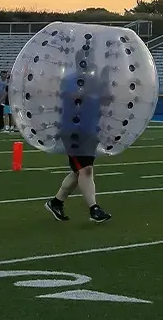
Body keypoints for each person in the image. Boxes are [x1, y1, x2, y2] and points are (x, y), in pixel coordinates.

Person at [44, 74, 112, 223]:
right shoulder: (70, 80)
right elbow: (72, 98)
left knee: (79, 171)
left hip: (89, 130)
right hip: (73, 131)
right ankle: (94, 209)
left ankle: (56, 202)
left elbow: (106, 99)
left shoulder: (95, 81)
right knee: (85, 170)